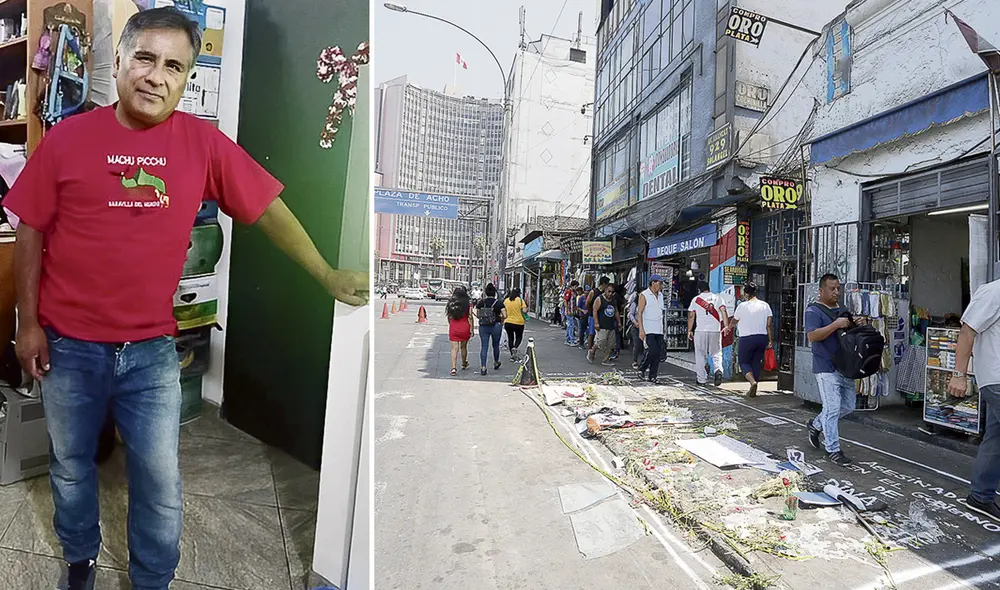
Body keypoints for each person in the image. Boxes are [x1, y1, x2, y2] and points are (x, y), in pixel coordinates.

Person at [3, 9, 369, 590]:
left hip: (149, 350)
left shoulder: (201, 143)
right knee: (71, 467)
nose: (156, 76)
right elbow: (30, 227)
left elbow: (268, 209)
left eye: (174, 66)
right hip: (68, 344)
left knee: (160, 480)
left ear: (187, 77)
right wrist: (27, 323)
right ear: (120, 61)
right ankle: (80, 560)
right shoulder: (69, 137)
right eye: (145, 58)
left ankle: (153, 580)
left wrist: (326, 274)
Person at [947, 279, 1000, 521]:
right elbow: (968, 331)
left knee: (995, 439)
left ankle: (980, 497)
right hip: (997, 379)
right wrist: (959, 374)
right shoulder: (994, 291)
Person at [804, 273, 856, 466]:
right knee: (832, 408)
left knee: (849, 406)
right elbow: (812, 336)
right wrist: (835, 325)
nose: (836, 292)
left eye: (838, 288)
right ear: (821, 290)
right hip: (825, 366)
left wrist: (854, 324)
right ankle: (833, 449)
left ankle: (816, 424)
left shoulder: (842, 309)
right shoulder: (813, 311)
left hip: (845, 365)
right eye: (832, 289)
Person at [730, 282, 773, 397]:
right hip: (761, 338)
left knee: (743, 362)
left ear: (746, 293)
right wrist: (770, 340)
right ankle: (754, 386)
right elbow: (769, 325)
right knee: (756, 363)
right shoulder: (765, 305)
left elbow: (734, 320)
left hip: (746, 339)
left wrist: (728, 327)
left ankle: (752, 382)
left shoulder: (742, 306)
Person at [688, 282, 729, 386]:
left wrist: (689, 330)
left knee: (700, 355)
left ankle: (701, 379)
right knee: (716, 353)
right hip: (715, 330)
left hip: (700, 330)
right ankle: (718, 370)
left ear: (699, 290)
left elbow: (691, 316)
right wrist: (726, 326)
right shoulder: (718, 298)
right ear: (708, 288)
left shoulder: (696, 299)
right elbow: (723, 311)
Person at [637, 274, 665, 383]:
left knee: (658, 353)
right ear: (653, 283)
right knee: (652, 350)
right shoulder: (644, 295)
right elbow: (639, 313)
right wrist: (641, 329)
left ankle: (653, 376)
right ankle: (642, 368)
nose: (661, 285)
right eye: (660, 283)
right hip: (648, 328)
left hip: (659, 328)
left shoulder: (661, 295)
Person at [474, 284, 506, 375]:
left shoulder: (481, 302)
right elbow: (505, 315)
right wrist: (500, 317)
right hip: (496, 326)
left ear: (486, 292)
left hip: (483, 327)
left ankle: (483, 367)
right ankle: (496, 362)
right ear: (495, 292)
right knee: (495, 345)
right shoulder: (499, 303)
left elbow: (478, 314)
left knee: (484, 346)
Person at [590, 282, 620, 366]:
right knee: (601, 342)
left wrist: (619, 322)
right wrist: (596, 323)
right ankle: (592, 351)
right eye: (609, 291)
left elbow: (616, 311)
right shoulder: (599, 299)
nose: (610, 294)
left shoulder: (613, 300)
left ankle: (606, 360)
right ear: (605, 290)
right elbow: (594, 310)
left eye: (612, 292)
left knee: (610, 344)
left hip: (611, 325)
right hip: (602, 325)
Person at [447, 286, 473, 375]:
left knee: (454, 349)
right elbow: (470, 316)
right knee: (463, 347)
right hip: (465, 327)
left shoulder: (451, 303)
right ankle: (463, 363)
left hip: (454, 327)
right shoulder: (468, 304)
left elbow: (449, 317)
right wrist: (472, 329)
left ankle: (453, 368)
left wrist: (451, 324)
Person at [503, 287, 528, 360]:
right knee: (519, 337)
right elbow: (524, 311)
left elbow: (503, 310)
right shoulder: (520, 300)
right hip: (519, 322)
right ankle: (515, 347)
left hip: (508, 322)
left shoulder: (506, 301)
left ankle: (512, 355)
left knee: (510, 338)